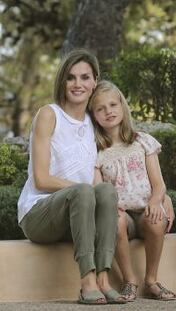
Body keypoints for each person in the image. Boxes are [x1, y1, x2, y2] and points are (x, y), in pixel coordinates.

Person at [17, 50, 125, 304]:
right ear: (62, 82)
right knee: (85, 190)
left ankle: (103, 279)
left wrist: (158, 196)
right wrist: (83, 190)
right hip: (39, 214)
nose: (78, 84)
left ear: (94, 81)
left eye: (85, 77)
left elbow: (105, 170)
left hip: (79, 215)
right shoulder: (49, 114)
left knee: (107, 191)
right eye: (71, 78)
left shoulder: (93, 122)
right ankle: (87, 282)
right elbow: (42, 179)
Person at [88, 80, 176, 301]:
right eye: (101, 108)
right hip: (123, 215)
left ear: (122, 106)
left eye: (113, 105)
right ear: (94, 115)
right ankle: (130, 280)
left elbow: (159, 185)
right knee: (114, 220)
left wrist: (157, 201)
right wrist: (109, 207)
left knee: (156, 219)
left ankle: (151, 280)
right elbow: (98, 188)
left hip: (146, 209)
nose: (108, 111)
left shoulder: (142, 142)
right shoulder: (96, 152)